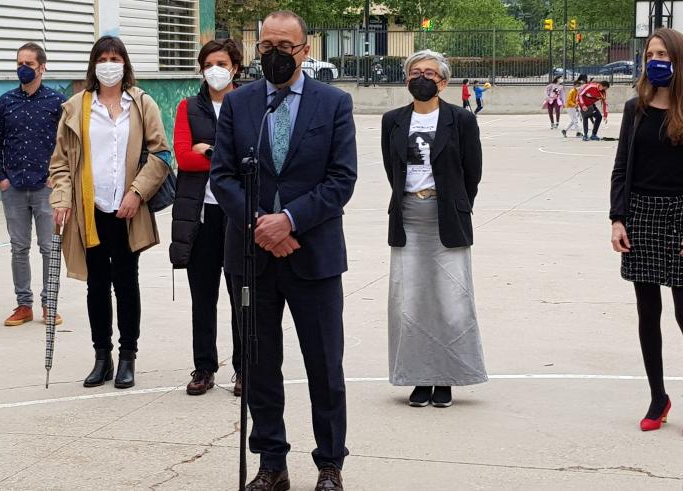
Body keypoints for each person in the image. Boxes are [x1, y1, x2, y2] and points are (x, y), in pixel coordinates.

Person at [209, 10, 357, 491]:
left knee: (324, 366)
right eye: (266, 45)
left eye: (285, 46)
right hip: (251, 257)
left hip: (311, 254)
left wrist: (289, 221)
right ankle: (272, 463)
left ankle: (329, 464)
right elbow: (224, 175)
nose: (274, 54)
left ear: (305, 50)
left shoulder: (334, 104)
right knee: (258, 366)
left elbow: (341, 179)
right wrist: (260, 226)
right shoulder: (240, 104)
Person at [610, 28, 683, 439]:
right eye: (649, 53)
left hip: (682, 218)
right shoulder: (634, 108)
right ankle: (658, 397)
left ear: (680, 60)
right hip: (639, 214)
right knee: (647, 313)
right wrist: (617, 218)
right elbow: (621, 167)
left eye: (662, 53)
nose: (654, 59)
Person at [48, 36, 172, 390]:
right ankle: (102, 357)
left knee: (126, 283)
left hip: (128, 210)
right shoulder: (76, 107)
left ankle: (128, 356)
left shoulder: (142, 103)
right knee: (96, 285)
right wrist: (62, 199)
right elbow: (60, 162)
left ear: (125, 63)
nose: (108, 63)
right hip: (91, 209)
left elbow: (160, 154)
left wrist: (138, 192)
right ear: (93, 64)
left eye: (115, 57)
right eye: (102, 58)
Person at [381, 50, 487, 409]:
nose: (421, 77)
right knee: (408, 302)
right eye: (415, 72)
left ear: (443, 81)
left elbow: (472, 172)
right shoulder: (392, 121)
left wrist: (454, 204)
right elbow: (391, 170)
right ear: (406, 78)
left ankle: (446, 378)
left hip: (447, 217)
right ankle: (418, 377)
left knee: (453, 300)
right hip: (408, 216)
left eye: (429, 72)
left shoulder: (461, 120)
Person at [169, 39, 244, 397]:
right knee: (203, 296)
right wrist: (224, 154)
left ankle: (244, 368)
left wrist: (210, 149)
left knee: (240, 294)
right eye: (208, 63)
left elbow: (249, 158)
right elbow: (184, 158)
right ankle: (204, 367)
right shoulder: (187, 108)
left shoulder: (249, 104)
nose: (214, 69)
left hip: (237, 214)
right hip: (200, 216)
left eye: (221, 62)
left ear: (235, 68)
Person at [0, 42, 67, 328]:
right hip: (15, 188)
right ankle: (24, 305)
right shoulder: (6, 102)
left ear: (42, 67)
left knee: (49, 247)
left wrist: (57, 176)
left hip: (47, 187)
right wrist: (1, 177)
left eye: (29, 64)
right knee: (19, 247)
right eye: (19, 63)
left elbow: (68, 143)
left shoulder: (58, 102)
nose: (23, 68)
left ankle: (50, 304)